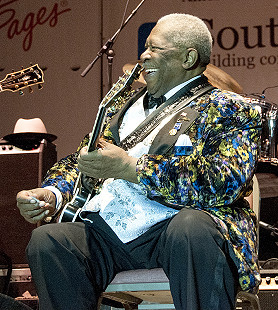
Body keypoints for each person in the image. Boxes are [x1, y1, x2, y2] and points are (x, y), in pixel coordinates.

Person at [16, 13, 262, 310]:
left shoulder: (231, 107)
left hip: (176, 228)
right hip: (110, 231)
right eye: (145, 47)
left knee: (191, 228)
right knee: (50, 241)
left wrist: (131, 168)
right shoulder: (121, 106)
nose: (143, 55)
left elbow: (225, 180)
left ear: (188, 57)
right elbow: (83, 159)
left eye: (154, 49)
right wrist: (52, 194)